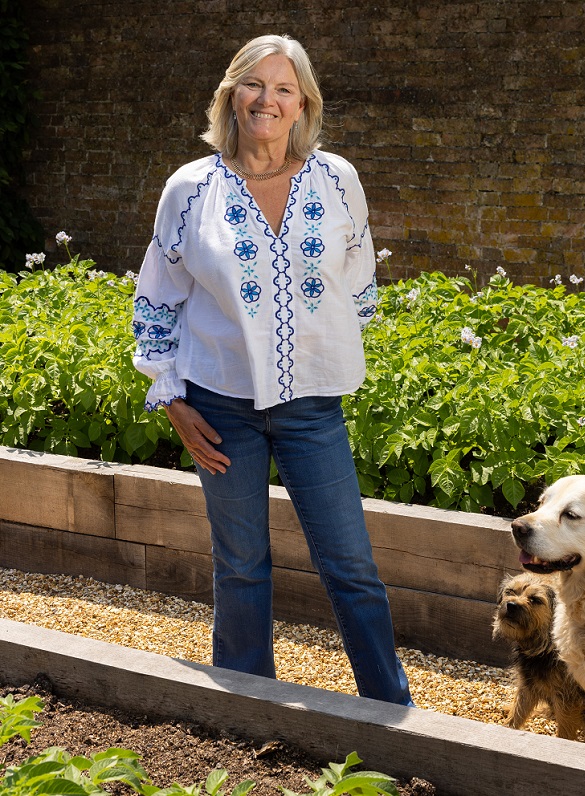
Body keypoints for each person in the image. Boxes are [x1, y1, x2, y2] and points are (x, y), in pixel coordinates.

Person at [132, 34, 412, 706]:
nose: (268, 99)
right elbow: (157, 298)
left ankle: (392, 710)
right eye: (255, 84)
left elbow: (359, 281)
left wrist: (312, 341)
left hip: (313, 407)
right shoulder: (191, 188)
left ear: (303, 104)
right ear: (232, 95)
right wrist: (172, 397)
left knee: (351, 565)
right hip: (218, 407)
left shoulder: (337, 179)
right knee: (241, 567)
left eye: (284, 88)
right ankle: (247, 706)